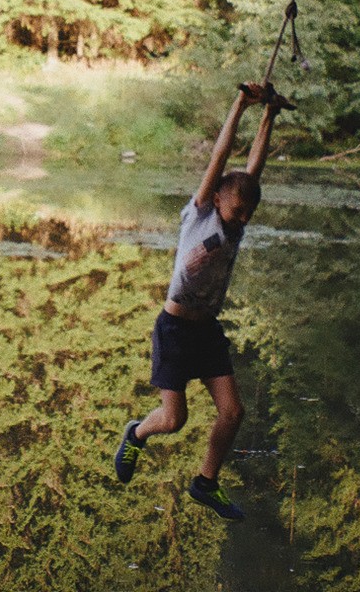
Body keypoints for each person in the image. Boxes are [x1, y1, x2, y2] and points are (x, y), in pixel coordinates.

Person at [114, 79, 291, 521]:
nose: (243, 220)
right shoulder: (199, 214)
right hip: (174, 329)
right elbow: (222, 157)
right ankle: (136, 433)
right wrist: (240, 104)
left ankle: (205, 483)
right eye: (237, 211)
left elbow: (252, 172)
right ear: (216, 200)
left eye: (249, 214)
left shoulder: (237, 224)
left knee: (233, 412)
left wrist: (269, 114)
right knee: (174, 421)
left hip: (206, 330)